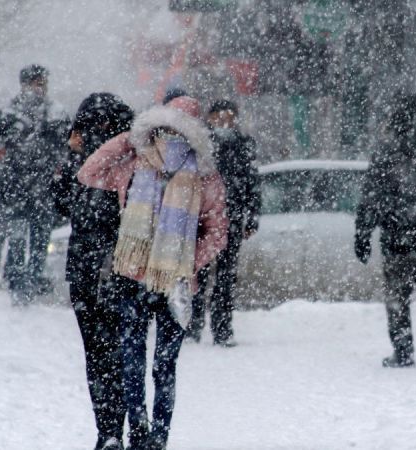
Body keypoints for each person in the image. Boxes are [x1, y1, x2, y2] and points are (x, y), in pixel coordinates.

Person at [78, 96, 228, 450]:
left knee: (135, 362)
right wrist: (187, 263)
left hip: (139, 278)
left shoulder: (136, 164)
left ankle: (142, 434)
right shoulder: (196, 174)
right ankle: (156, 438)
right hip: (166, 283)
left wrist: (130, 139)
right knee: (162, 366)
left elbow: (89, 170)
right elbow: (218, 233)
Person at [52, 93, 134, 450]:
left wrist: (72, 155)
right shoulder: (131, 156)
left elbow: (59, 202)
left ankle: (109, 429)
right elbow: (59, 202)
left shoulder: (109, 162)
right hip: (113, 267)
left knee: (102, 355)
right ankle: (116, 427)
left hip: (99, 267)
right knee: (117, 352)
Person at [354, 95, 416, 368]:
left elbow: (371, 197)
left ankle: (402, 349)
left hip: (396, 239)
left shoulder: (386, 153)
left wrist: (363, 233)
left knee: (397, 299)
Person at [0, 64, 70, 301]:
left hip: (43, 189)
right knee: (18, 239)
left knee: (40, 241)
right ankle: (19, 283)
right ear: (24, 85)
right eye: (34, 83)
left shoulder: (56, 113)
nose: (38, 88)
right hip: (15, 187)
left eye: (42, 83)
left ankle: (31, 280)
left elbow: (68, 147)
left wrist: (60, 164)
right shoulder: (10, 113)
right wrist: (0, 149)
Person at [186, 100, 261, 346]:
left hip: (232, 218)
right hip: (203, 220)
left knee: (226, 278)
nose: (225, 122)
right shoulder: (200, 144)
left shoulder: (243, 144)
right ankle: (193, 325)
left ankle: (222, 329)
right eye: (220, 117)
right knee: (199, 273)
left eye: (230, 117)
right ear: (210, 118)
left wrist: (251, 217)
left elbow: (252, 182)